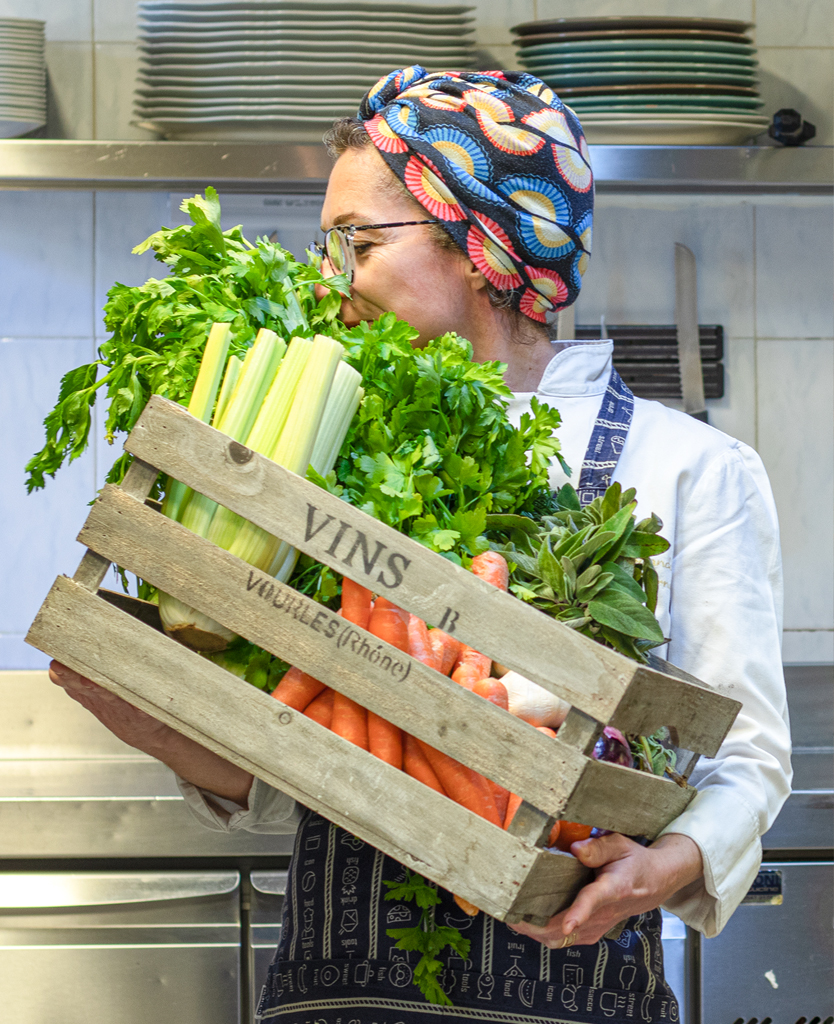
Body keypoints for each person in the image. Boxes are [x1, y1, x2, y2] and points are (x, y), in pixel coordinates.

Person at [50, 68, 791, 1022]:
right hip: (336, 990)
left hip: (573, 989)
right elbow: (302, 781)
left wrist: (665, 866)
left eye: (357, 242)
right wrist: (170, 733)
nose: (333, 277)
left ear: (481, 246)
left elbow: (748, 762)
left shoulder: (690, 468)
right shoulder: (333, 468)